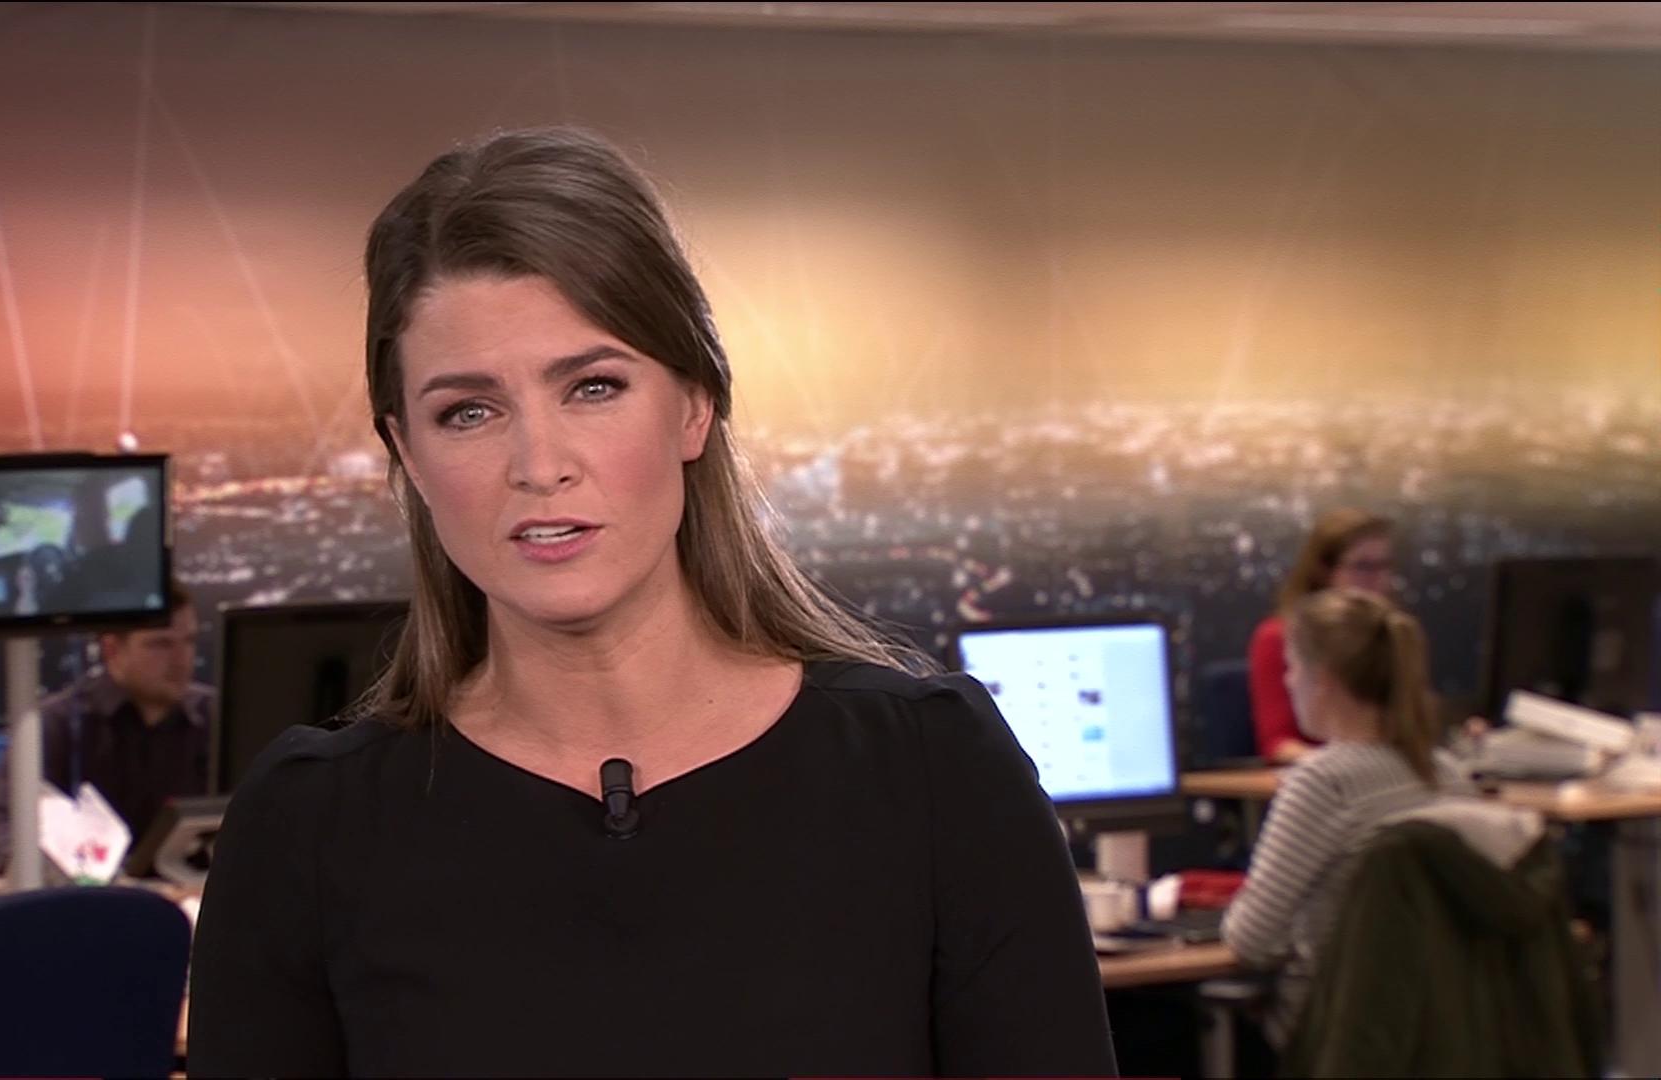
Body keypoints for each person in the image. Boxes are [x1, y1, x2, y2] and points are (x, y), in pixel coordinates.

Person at [187, 128, 1115, 1078]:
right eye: (469, 411)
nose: (539, 464)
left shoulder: (931, 770)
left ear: (694, 406)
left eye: (593, 387)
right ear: (408, 455)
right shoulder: (308, 827)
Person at [1222, 586, 1475, 1052]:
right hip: (1442, 1042)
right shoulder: (1451, 776)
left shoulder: (1323, 783)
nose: (1288, 682)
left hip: (1335, 1042)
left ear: (1322, 680)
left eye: (1292, 668)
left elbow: (1249, 939)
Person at [0, 581, 213, 873]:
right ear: (112, 649)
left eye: (189, 641)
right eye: (161, 644)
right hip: (91, 892)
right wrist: (48, 869)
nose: (182, 660)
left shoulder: (215, 716)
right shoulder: (58, 724)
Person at [1248, 508, 1395, 764]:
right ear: (1324, 572)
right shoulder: (1279, 637)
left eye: (1384, 566)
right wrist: (1347, 768)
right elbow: (1279, 745)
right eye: (1364, 567)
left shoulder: (1393, 633)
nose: (1378, 580)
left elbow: (1406, 725)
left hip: (1384, 770)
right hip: (1325, 775)